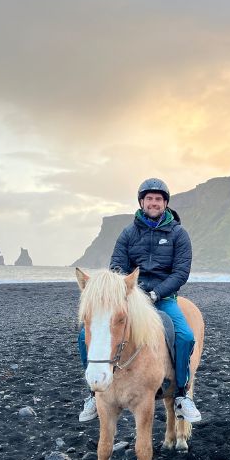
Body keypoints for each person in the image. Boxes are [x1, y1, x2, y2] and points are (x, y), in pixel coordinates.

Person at [78, 178, 201, 424]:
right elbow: (116, 267)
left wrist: (156, 293)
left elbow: (180, 272)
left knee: (185, 336)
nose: (153, 203)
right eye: (149, 199)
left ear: (165, 203)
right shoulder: (128, 233)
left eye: (158, 199)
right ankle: (93, 393)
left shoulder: (178, 234)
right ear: (141, 202)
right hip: (131, 298)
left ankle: (181, 395)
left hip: (163, 297)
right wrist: (128, 293)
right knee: (85, 334)